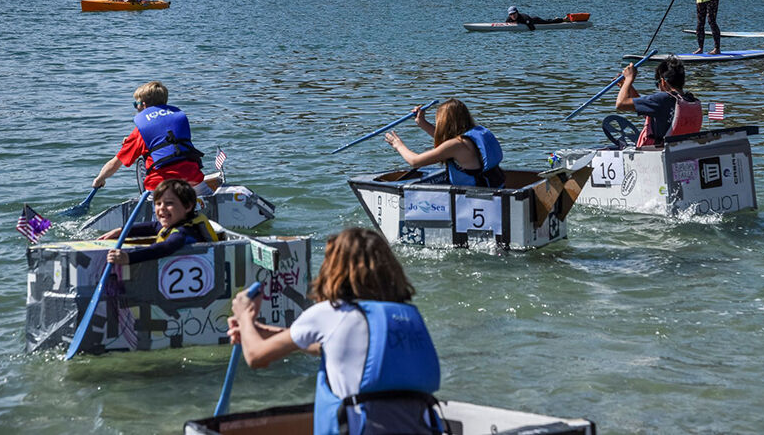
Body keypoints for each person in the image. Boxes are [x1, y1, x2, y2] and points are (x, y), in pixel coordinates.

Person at [227, 227, 442, 435]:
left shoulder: (330, 313)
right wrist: (256, 330)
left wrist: (245, 315)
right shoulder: (406, 315)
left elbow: (256, 357)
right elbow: (323, 347)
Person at [92, 81, 209, 194]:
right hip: (194, 181)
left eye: (135, 105)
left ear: (143, 105)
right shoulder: (177, 120)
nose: (136, 108)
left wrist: (99, 180)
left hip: (161, 187)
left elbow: (115, 164)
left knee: (156, 208)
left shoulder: (139, 134)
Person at [384, 98, 505, 188]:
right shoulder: (472, 135)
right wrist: (422, 123)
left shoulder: (456, 145)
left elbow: (415, 162)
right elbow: (445, 142)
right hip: (494, 190)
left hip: (476, 199)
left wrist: (398, 144)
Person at [103, 179, 218, 265]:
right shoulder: (176, 223)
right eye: (158, 204)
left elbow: (165, 247)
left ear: (188, 206)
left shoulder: (185, 232)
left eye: (169, 203)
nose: (161, 208)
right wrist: (121, 231)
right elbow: (153, 227)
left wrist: (129, 258)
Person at [615, 55, 702, 147]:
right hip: (679, 150)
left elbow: (621, 104)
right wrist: (626, 87)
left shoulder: (663, 98)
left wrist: (629, 79)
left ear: (663, 82)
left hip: (655, 153)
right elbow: (646, 108)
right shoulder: (690, 100)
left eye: (657, 84)